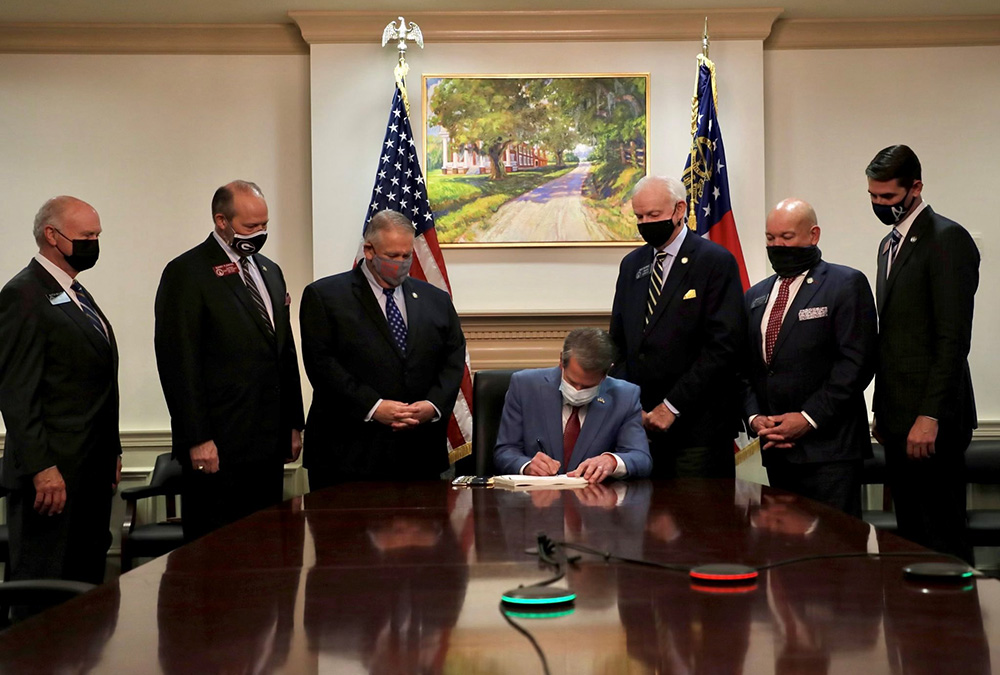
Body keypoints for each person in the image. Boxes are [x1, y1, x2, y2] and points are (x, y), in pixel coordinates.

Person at [154, 180, 304, 541]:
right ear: (221, 221)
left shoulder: (269, 270)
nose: (260, 233)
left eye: (265, 225)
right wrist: (197, 438)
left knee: (266, 548)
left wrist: (294, 422)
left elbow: (284, 350)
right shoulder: (188, 272)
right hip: (218, 444)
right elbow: (179, 362)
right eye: (250, 227)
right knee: (217, 551)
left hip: (267, 443)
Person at [0, 196, 121, 590]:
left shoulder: (75, 293)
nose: (95, 243)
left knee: (85, 590)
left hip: (90, 470)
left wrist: (113, 449)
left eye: (98, 235)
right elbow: (18, 391)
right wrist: (41, 468)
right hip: (53, 478)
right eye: (87, 235)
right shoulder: (24, 294)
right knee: (45, 587)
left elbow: (96, 381)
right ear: (52, 235)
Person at [867, 144, 979, 562]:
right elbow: (895, 338)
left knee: (942, 534)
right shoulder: (888, 244)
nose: (880, 205)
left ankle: (956, 626)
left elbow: (952, 339)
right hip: (898, 418)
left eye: (889, 198)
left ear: (916, 187)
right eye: (873, 197)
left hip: (933, 421)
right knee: (910, 537)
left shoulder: (947, 238)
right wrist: (883, 409)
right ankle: (918, 627)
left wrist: (929, 416)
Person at [299, 209, 466, 488]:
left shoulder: (434, 299)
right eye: (392, 256)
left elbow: (453, 358)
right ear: (369, 250)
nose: (401, 263)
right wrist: (373, 407)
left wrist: (432, 405)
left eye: (406, 255)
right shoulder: (325, 297)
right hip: (347, 458)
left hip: (418, 456)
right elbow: (322, 365)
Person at [742, 198, 877, 517]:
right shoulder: (755, 296)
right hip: (776, 448)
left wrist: (807, 418)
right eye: (770, 238)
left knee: (834, 552)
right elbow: (745, 368)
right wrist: (754, 418)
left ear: (813, 235)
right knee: (787, 554)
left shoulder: (845, 284)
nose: (777, 245)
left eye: (787, 237)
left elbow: (856, 365)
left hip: (830, 452)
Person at [609, 175, 746, 479]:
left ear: (679, 209)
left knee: (698, 522)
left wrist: (670, 406)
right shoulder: (632, 265)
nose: (645, 223)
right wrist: (633, 406)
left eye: (654, 215)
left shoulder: (714, 261)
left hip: (698, 430)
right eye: (639, 216)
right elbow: (617, 345)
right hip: (640, 430)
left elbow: (723, 347)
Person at [493, 327, 652, 481]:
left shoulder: (625, 396)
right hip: (537, 501)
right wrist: (527, 466)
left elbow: (641, 458)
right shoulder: (524, 386)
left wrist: (612, 461)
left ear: (605, 373)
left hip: (594, 503)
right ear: (561, 361)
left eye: (587, 386)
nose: (577, 390)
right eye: (572, 382)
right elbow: (505, 452)